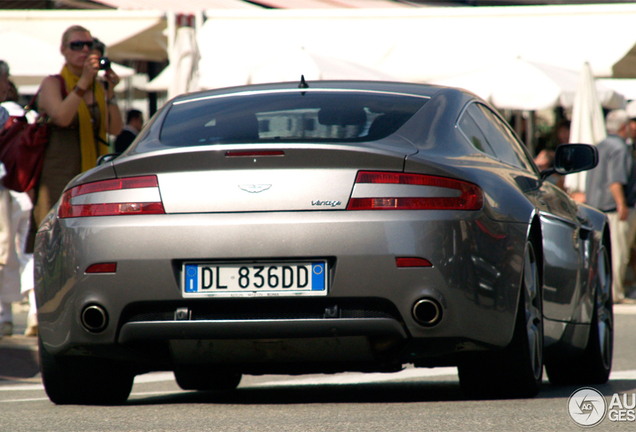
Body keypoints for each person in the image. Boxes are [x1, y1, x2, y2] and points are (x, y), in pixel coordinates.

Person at [28, 25, 123, 251]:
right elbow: (62, 117)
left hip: (92, 178)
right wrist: (82, 84)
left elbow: (116, 128)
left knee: (91, 245)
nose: (84, 50)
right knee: (54, 247)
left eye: (89, 45)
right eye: (76, 45)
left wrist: (110, 93)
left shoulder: (98, 87)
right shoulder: (53, 83)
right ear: (63, 50)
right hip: (57, 181)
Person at [585, 109, 636, 304]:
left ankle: (604, 290)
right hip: (615, 208)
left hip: (596, 208)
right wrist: (622, 204)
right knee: (618, 252)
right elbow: (615, 181)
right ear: (624, 127)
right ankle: (615, 293)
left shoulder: (599, 145)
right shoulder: (620, 148)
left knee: (604, 251)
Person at [0, 60, 31, 337]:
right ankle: (24, 311)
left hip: (9, 190)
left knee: (8, 252)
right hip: (20, 190)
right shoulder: (19, 113)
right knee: (20, 253)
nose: (7, 84)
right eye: (4, 78)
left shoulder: (4, 113)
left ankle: (5, 316)